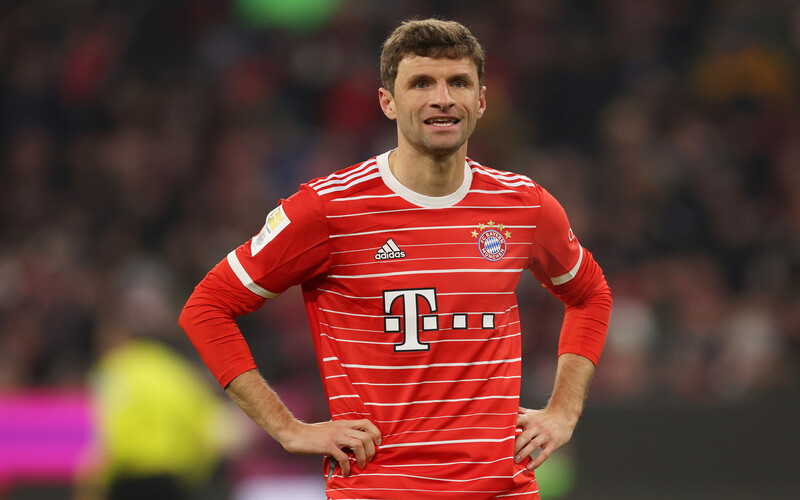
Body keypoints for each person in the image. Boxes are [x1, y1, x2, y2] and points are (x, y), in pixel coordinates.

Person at [179, 18, 612, 499]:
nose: (442, 98)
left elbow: (590, 294)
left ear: (481, 101)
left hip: (502, 489)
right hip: (380, 488)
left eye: (458, 83)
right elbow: (207, 308)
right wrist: (287, 428)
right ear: (387, 101)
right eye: (421, 83)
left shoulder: (522, 205)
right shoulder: (328, 209)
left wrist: (564, 411)